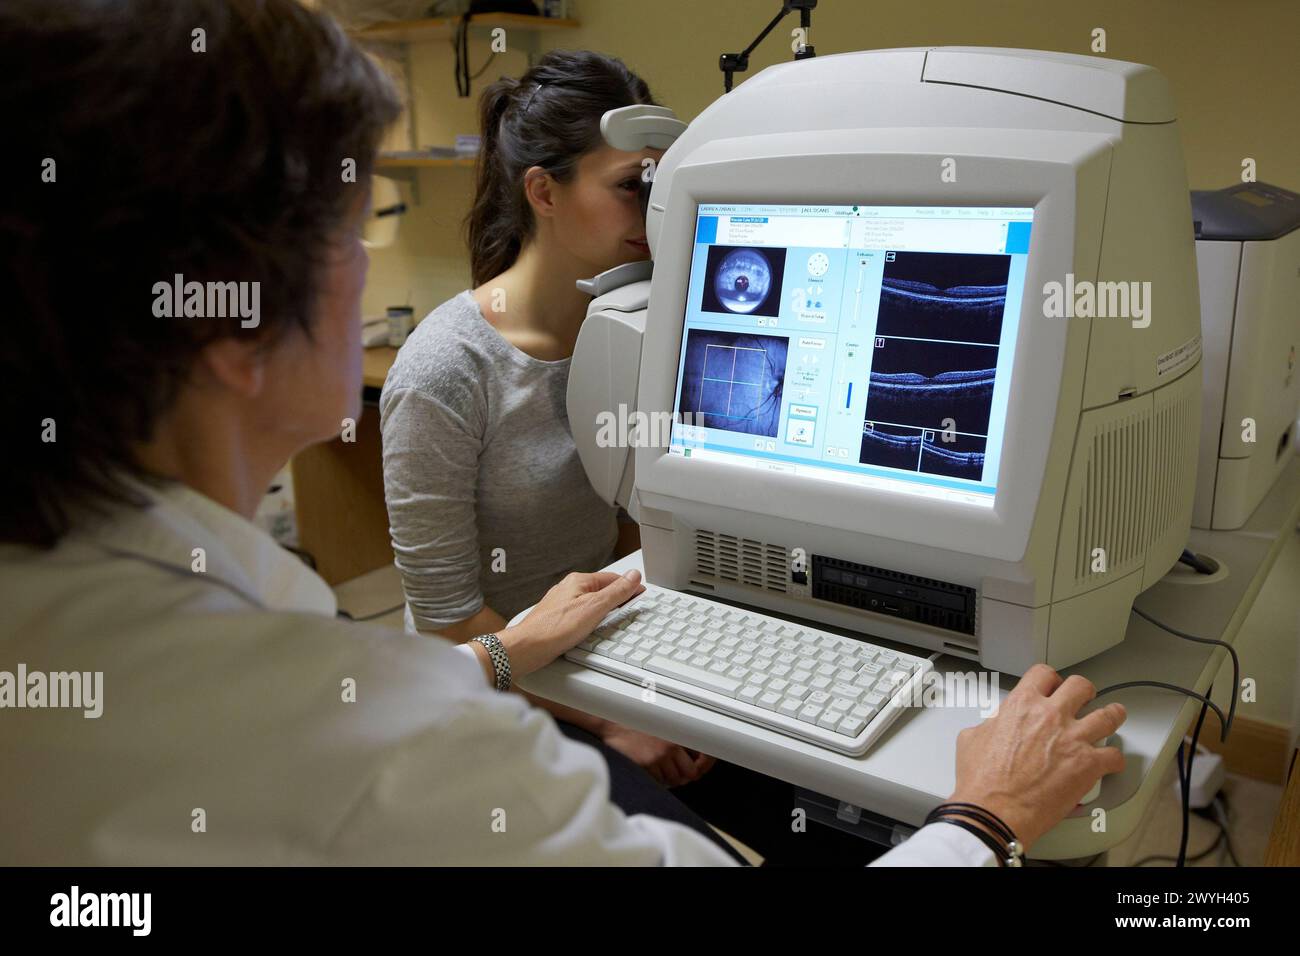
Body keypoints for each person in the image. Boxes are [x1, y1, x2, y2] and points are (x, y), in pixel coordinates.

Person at [0, 0, 1126, 867]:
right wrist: (984, 815)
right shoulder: (356, 741)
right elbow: (397, 703)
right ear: (233, 322)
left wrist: (508, 658)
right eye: (359, 227)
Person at [380, 50, 711, 790]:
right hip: (498, 689)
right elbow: (444, 624)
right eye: (634, 188)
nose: (655, 212)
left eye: (665, 188)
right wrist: (609, 717)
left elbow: (634, 528)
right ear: (543, 191)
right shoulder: (446, 370)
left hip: (607, 655)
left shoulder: (638, 330)